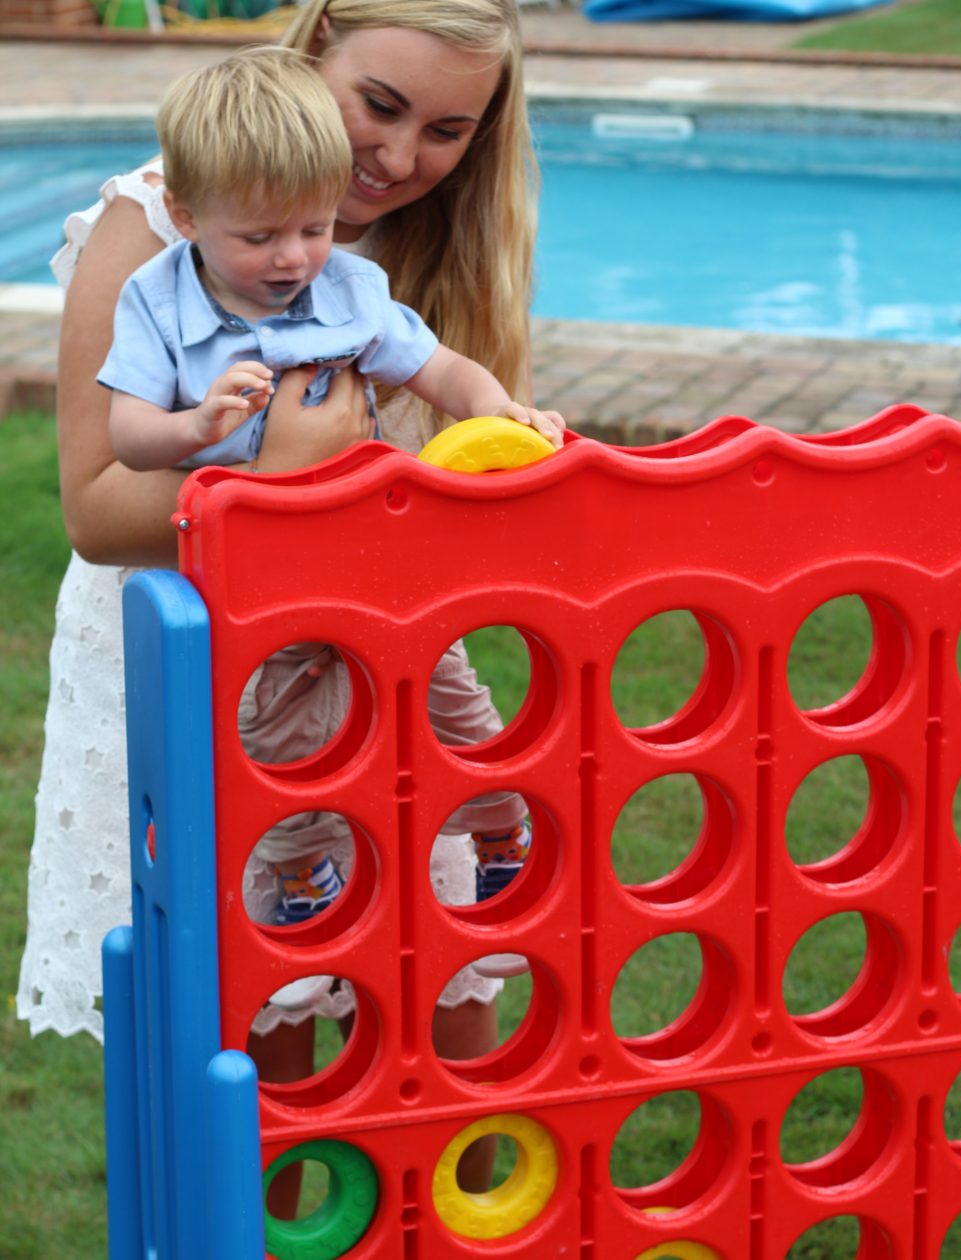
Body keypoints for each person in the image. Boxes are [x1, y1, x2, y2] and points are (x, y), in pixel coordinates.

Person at [17, 0, 542, 1198]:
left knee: (445, 962)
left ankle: (464, 1215)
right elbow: (98, 511)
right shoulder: (154, 228)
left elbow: (444, 410)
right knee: (258, 1013)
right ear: (307, 60)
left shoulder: (376, 252)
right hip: (199, 660)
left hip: (370, 646)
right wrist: (276, 485)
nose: (401, 160)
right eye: (380, 106)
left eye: (449, 129)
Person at [102, 47, 557, 965]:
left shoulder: (344, 285)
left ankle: (499, 829)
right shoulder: (154, 301)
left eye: (312, 229)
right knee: (285, 743)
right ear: (187, 217)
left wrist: (491, 406)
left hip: (384, 565)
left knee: (452, 696)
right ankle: (306, 878)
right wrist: (197, 427)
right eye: (261, 237)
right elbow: (127, 435)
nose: (292, 258)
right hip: (264, 587)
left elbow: (433, 366)